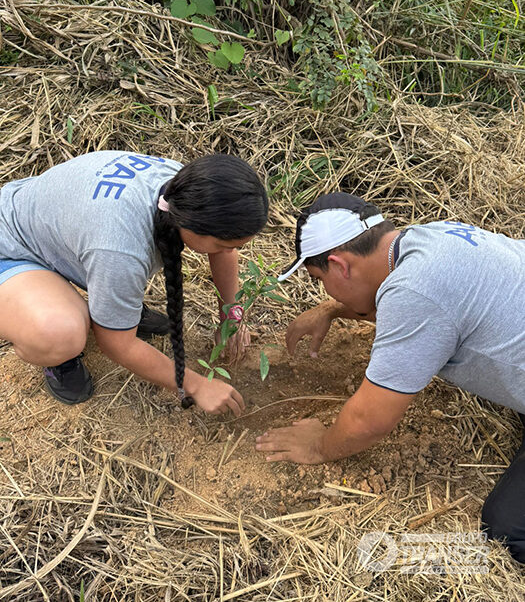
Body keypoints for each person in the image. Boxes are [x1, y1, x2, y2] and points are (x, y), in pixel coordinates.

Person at [256, 192, 525, 563]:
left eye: (320, 280)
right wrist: (331, 309)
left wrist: (318, 446)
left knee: (508, 531)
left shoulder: (415, 292)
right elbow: (416, 303)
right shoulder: (431, 237)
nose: (324, 290)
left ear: (339, 265)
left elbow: (370, 421)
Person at [0, 150, 268, 415]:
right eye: (224, 244)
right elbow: (116, 344)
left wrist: (231, 317)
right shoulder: (120, 247)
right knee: (59, 333)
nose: (230, 250)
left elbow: (224, 251)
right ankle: (58, 356)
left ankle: (114, 310)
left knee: (113, 276)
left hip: (51, 225)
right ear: (191, 225)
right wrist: (197, 386)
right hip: (9, 247)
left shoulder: (187, 189)